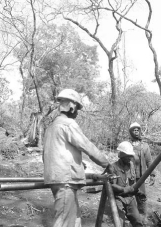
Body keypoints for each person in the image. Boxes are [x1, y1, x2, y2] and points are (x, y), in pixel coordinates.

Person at [43, 88, 111, 227]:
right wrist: (106, 163)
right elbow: (86, 146)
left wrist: (78, 163)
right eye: (77, 108)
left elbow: (49, 155)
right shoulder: (68, 124)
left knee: (74, 221)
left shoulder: (51, 127)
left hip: (57, 178)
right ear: (72, 106)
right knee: (64, 222)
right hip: (65, 180)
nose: (77, 112)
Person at [110, 141, 144, 227]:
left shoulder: (131, 165)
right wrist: (125, 189)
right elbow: (112, 186)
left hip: (130, 198)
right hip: (118, 198)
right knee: (120, 222)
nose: (130, 158)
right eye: (127, 156)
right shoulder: (113, 167)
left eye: (130, 156)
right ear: (121, 155)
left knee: (138, 222)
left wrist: (136, 190)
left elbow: (133, 182)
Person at [129, 122, 155, 224]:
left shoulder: (145, 146)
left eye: (137, 129)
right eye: (134, 130)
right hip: (129, 176)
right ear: (130, 132)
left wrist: (152, 174)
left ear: (140, 131)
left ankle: (142, 218)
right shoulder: (127, 145)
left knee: (141, 196)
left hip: (141, 176)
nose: (136, 131)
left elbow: (149, 161)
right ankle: (130, 217)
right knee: (128, 195)